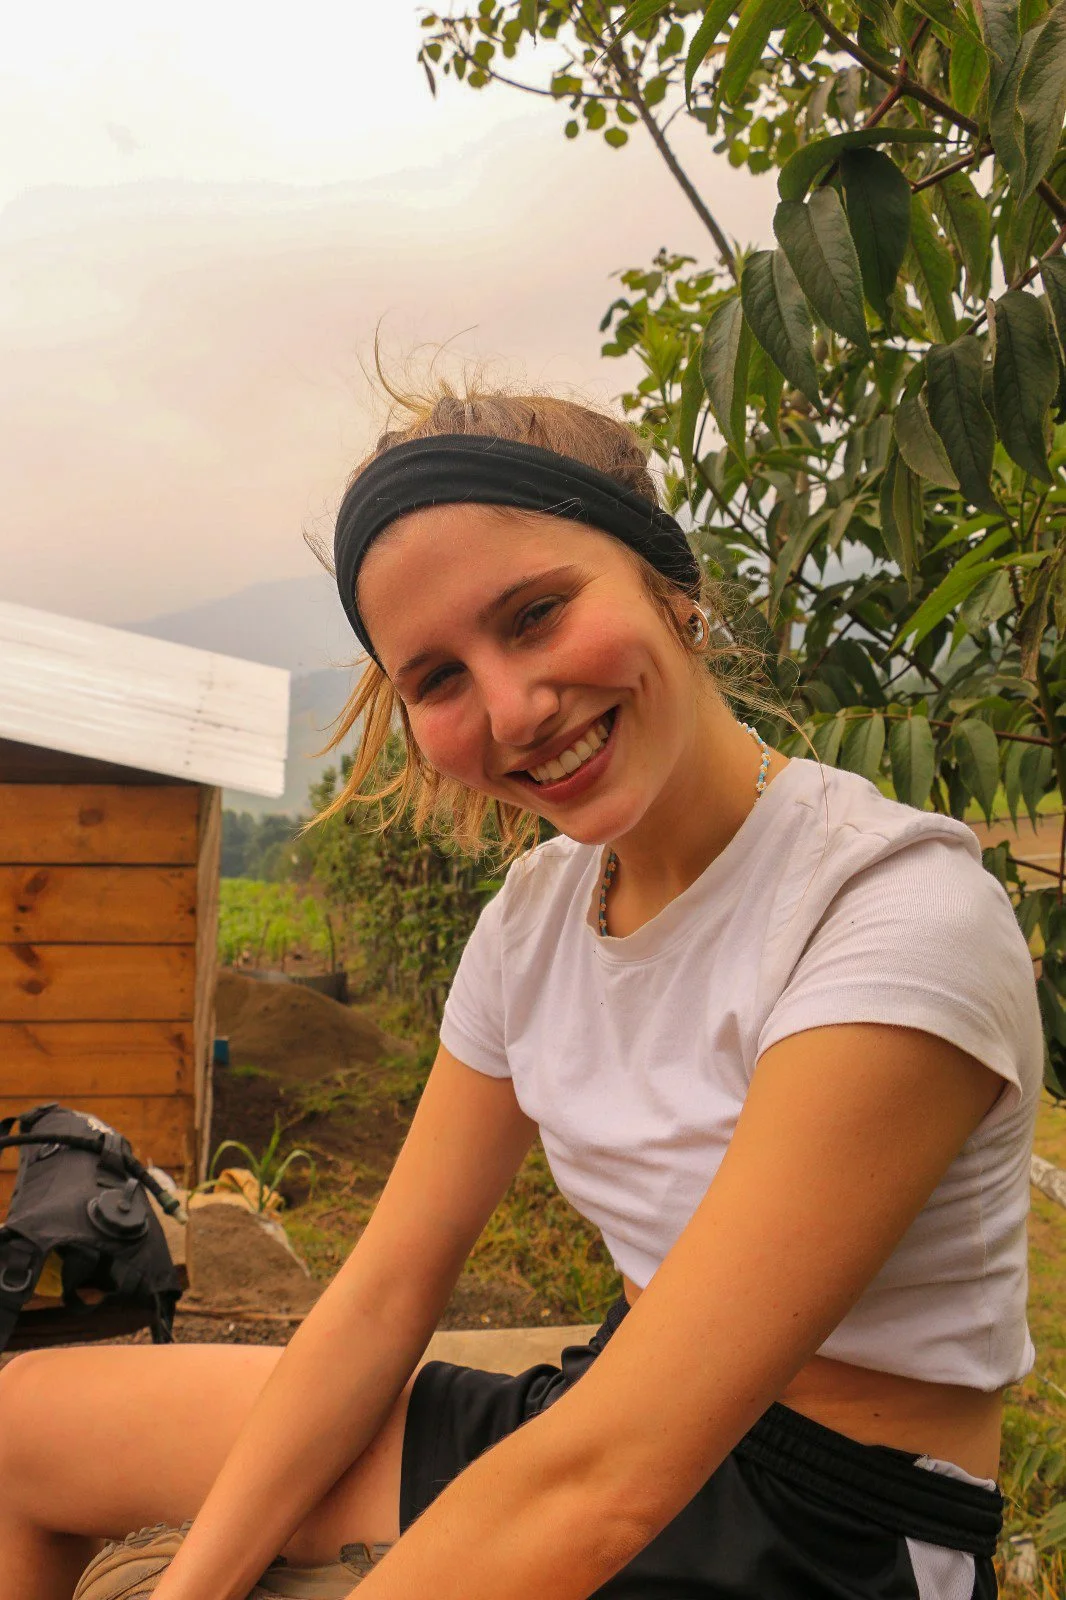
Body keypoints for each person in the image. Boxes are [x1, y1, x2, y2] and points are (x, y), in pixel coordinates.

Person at [0, 384, 1043, 1600]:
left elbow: (615, 1479)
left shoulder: (887, 912)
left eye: (537, 613)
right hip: (607, 1405)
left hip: (829, 1525)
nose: (510, 710)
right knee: (24, 1426)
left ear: (670, 579)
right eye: (437, 677)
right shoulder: (536, 918)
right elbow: (384, 1295)